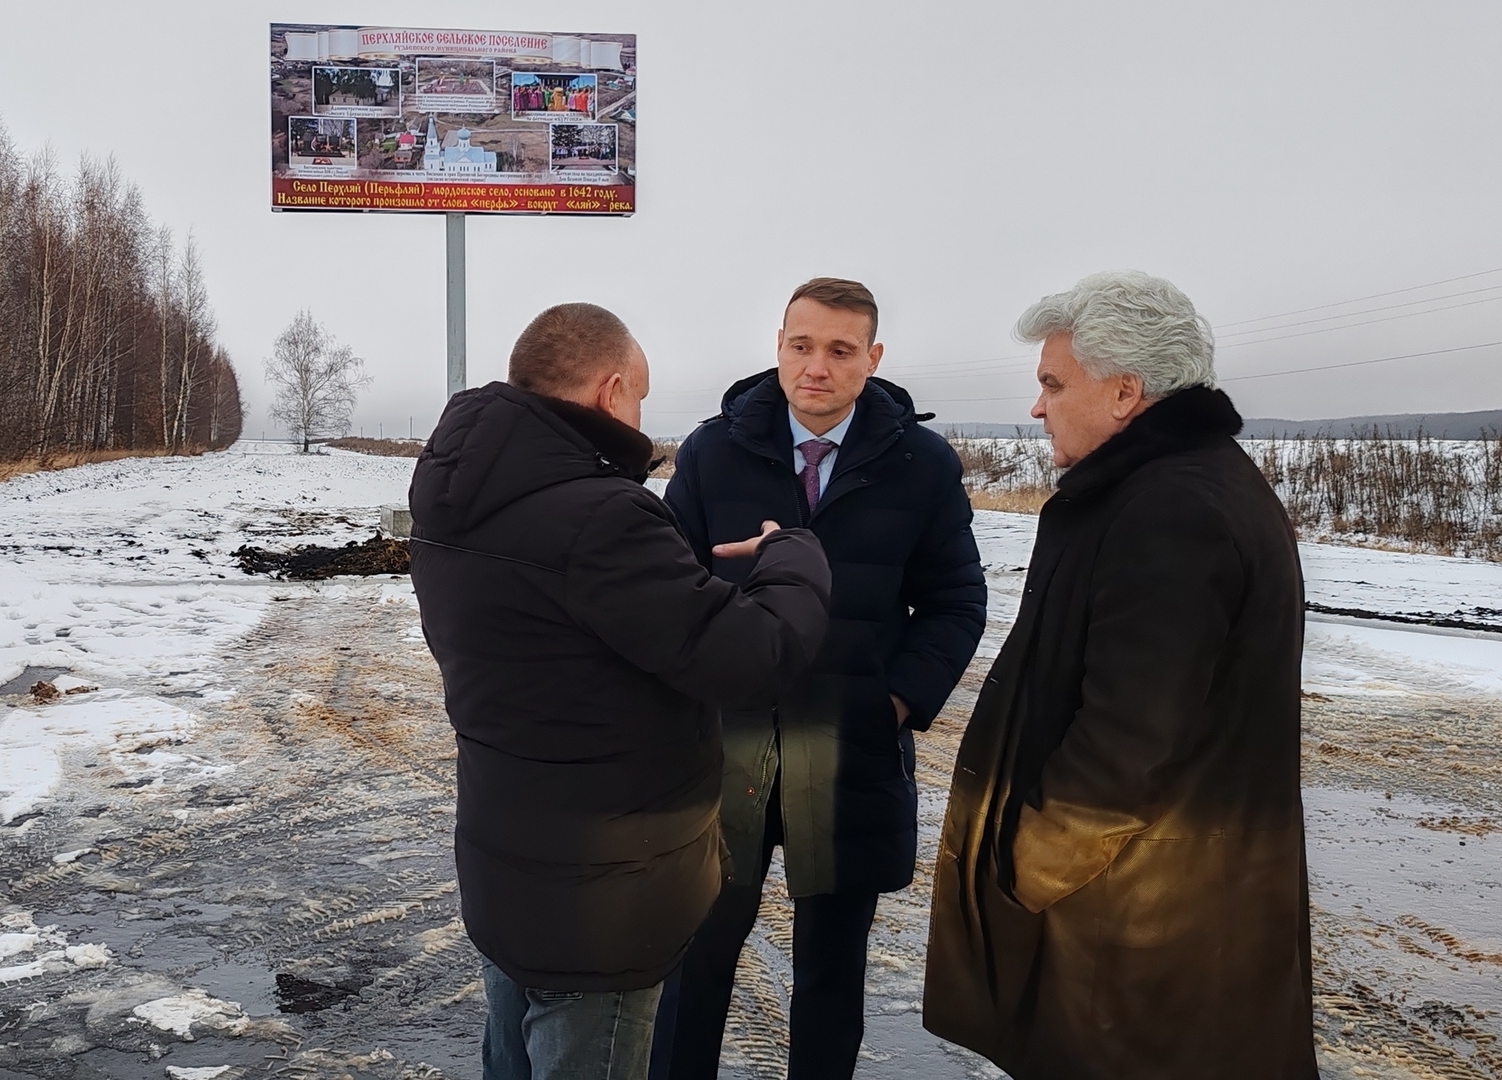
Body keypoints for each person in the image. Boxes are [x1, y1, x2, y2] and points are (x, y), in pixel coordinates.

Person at [407, 303, 835, 1080]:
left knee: (511, 1055)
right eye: (638, 397)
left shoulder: (457, 498)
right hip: (600, 900)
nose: (640, 417)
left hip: (510, 863)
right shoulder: (600, 517)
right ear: (610, 391)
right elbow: (751, 657)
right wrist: (793, 556)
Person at [922, 270, 1318, 1079]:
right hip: (1156, 907)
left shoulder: (1172, 510)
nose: (1037, 407)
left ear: (1126, 392)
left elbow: (1130, 737)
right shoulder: (1183, 484)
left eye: (1052, 382)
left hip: (1144, 927)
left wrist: (1028, 864)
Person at [655, 278, 987, 1079]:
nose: (816, 367)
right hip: (724, 751)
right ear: (778, 345)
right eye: (801, 346)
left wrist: (898, 701)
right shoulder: (713, 450)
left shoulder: (921, 464)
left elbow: (955, 600)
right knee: (694, 956)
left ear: (872, 359)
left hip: (850, 755)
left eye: (840, 350)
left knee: (831, 974)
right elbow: (663, 584)